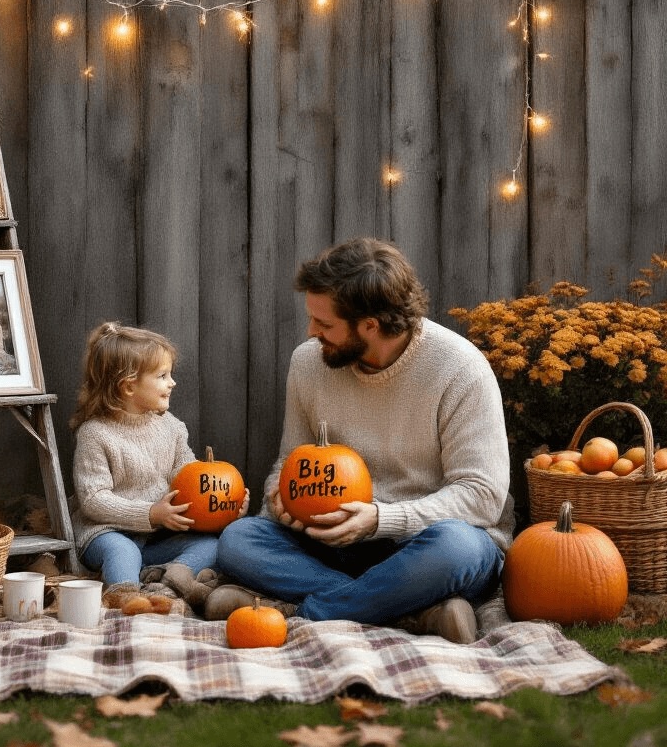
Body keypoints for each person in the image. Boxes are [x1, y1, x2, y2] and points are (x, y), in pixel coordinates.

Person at [206, 237, 514, 644]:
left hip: (420, 546)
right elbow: (288, 462)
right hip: (328, 545)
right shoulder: (308, 362)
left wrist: (380, 520)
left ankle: (303, 611)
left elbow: (482, 496)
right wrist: (282, 501)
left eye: (324, 324)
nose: (311, 331)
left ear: (371, 325)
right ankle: (411, 612)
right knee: (239, 541)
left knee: (460, 547)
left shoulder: (460, 369)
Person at [69, 321, 247, 612]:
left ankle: (166, 585)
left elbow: (189, 477)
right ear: (128, 386)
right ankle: (126, 598)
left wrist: (223, 501)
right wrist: (150, 513)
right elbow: (93, 499)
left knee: (212, 544)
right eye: (162, 376)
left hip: (158, 539)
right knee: (122, 550)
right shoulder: (96, 434)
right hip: (106, 533)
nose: (172, 382)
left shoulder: (173, 428)